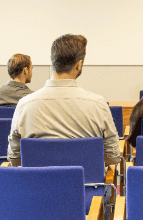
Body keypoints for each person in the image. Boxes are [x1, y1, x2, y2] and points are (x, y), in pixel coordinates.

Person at [8, 34, 121, 167]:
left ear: (52, 61)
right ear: (79, 65)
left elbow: (14, 159)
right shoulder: (98, 104)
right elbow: (112, 157)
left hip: (38, 186)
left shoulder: (24, 105)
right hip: (85, 186)